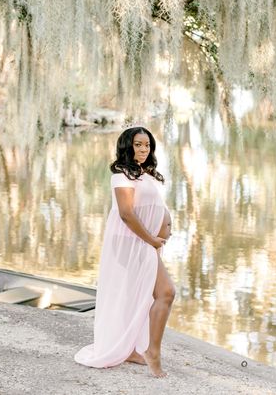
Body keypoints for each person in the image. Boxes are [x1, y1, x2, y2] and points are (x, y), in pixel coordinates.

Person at [74, 126, 176, 378]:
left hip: (144, 243)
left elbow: (155, 206)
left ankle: (130, 349)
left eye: (147, 145)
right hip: (131, 243)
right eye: (138, 145)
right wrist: (152, 240)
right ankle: (152, 351)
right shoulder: (122, 175)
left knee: (136, 296)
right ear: (127, 146)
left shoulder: (146, 174)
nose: (143, 149)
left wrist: (165, 227)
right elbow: (127, 213)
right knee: (165, 292)